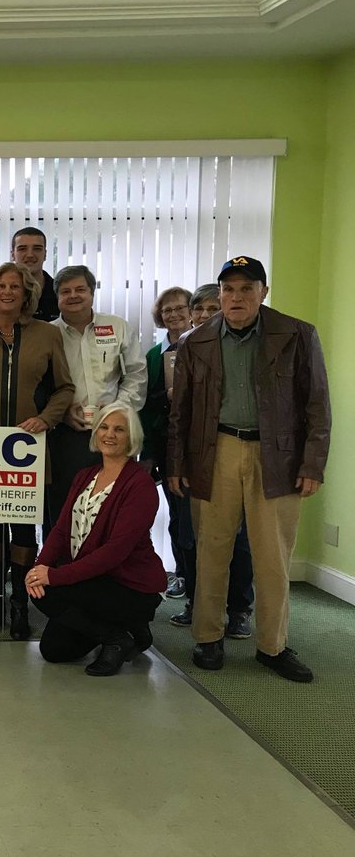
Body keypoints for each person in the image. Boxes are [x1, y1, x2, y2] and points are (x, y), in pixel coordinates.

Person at [169, 256, 330, 683]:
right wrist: (176, 464)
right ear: (218, 294)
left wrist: (313, 463)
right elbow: (179, 412)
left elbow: (317, 404)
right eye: (228, 289)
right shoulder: (195, 341)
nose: (236, 297)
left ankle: (272, 646)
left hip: (277, 457)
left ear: (263, 291)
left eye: (246, 288)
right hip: (214, 451)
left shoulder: (296, 334)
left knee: (272, 558)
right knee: (212, 550)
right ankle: (207, 638)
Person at [0, 261, 74, 638]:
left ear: (27, 294)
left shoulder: (46, 334)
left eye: (15, 287)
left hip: (29, 449)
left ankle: (20, 603)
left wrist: (46, 418)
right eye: (1, 286)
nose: (7, 292)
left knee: (23, 530)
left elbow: (64, 389)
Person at [26, 403, 167, 676]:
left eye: (119, 429)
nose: (109, 434)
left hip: (132, 586)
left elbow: (115, 552)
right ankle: (129, 633)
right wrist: (38, 567)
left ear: (132, 437)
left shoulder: (140, 485)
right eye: (103, 427)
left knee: (51, 590)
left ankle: (119, 639)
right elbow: (61, 529)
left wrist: (54, 576)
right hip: (95, 581)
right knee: (54, 650)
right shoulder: (85, 476)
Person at [165, 283, 256, 635]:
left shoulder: (240, 348)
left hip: (236, 452)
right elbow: (173, 413)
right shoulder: (180, 349)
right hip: (192, 457)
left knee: (240, 538)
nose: (203, 316)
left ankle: (239, 609)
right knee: (192, 536)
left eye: (209, 309)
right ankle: (200, 604)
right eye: (197, 310)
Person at [47, 265, 146, 533]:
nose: (73, 296)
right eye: (65, 291)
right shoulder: (47, 334)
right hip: (65, 435)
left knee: (113, 511)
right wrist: (62, 411)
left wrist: (116, 411)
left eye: (80, 289)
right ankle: (60, 573)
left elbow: (137, 374)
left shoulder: (117, 327)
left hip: (113, 435)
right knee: (64, 510)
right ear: (57, 298)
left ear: (92, 292)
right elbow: (40, 385)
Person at [138, 285, 194, 599]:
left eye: (179, 308)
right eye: (167, 310)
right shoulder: (152, 356)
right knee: (175, 514)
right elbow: (145, 404)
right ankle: (182, 575)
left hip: (194, 446)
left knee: (191, 517)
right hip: (161, 444)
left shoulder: (203, 348)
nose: (173, 314)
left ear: (191, 312)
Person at [0, 227, 60, 324]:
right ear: (13, 254)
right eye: (22, 249)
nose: (30, 255)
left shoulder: (60, 295)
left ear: (45, 254)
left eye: (37, 249)